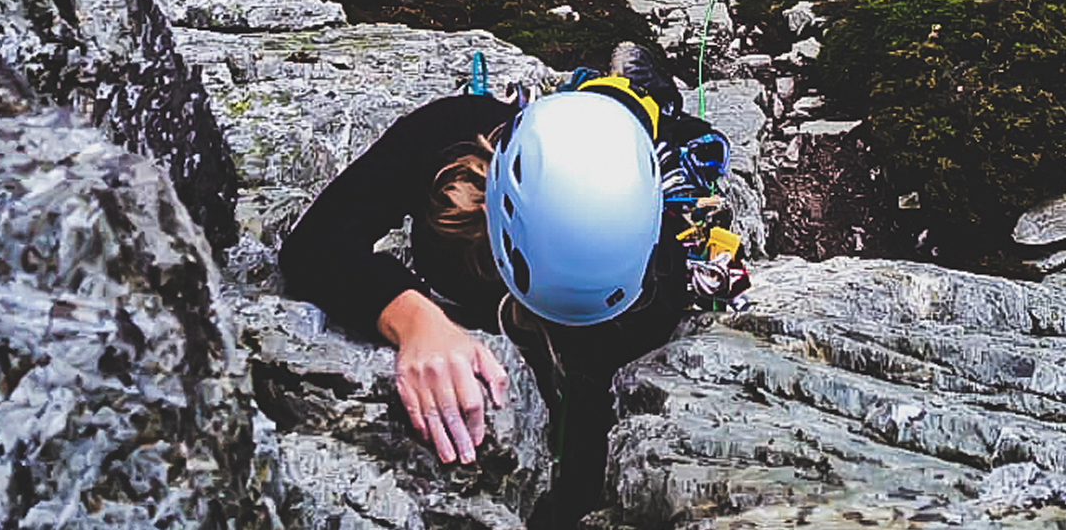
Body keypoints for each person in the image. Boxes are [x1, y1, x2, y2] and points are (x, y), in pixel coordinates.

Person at [278, 44, 746, 523]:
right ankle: (628, 94)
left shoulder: (648, 283)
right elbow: (314, 245)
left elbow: (587, 428)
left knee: (659, 126)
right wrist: (413, 318)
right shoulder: (451, 133)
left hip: (625, 173)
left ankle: (645, 97)